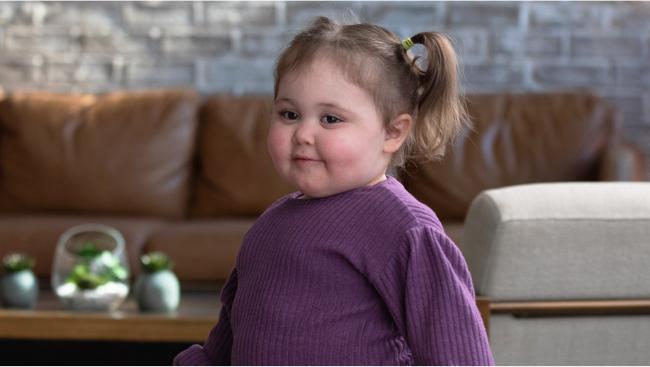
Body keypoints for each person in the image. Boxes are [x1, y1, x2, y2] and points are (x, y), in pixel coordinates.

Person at [175, 16, 493, 366]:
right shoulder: (270, 224)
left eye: (330, 119)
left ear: (393, 132)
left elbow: (460, 357)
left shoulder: (405, 229)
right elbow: (225, 346)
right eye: (289, 113)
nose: (303, 134)